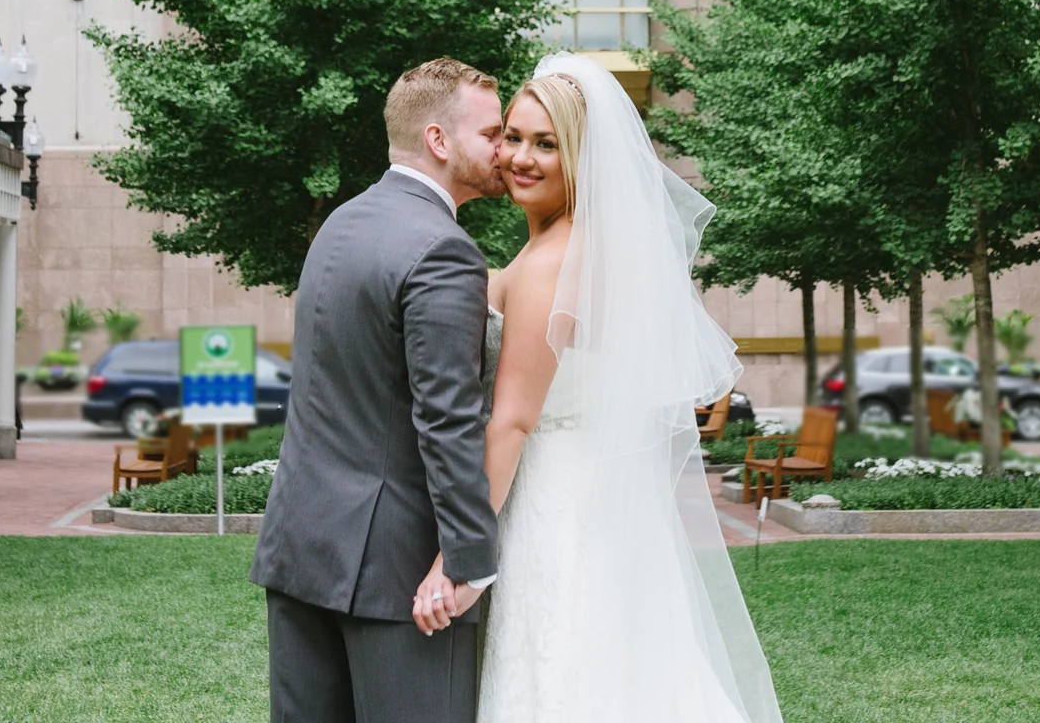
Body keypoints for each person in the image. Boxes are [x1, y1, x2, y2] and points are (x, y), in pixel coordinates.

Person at [410, 54, 784, 723]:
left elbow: (512, 421)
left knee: (561, 670)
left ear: (581, 157)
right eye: (513, 137)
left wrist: (458, 558)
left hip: (557, 501)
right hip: (597, 494)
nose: (522, 158)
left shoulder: (553, 261)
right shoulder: (566, 246)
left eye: (547, 144)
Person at [252, 57, 509, 723]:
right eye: (491, 133)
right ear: (438, 140)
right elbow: (446, 420)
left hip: (300, 546)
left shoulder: (341, 223)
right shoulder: (445, 249)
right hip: (400, 575)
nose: (503, 149)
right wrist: (468, 561)